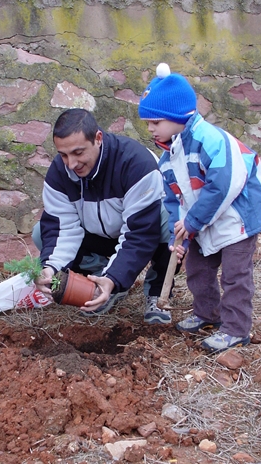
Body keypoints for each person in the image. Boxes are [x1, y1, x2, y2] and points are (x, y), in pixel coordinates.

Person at [138, 63, 261, 354]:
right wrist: (180, 231)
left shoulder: (210, 140)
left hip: (238, 218)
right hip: (202, 222)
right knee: (198, 270)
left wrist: (194, 221)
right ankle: (208, 313)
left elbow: (223, 184)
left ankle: (236, 329)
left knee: (235, 276)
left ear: (178, 116)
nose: (150, 128)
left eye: (155, 121)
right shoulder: (168, 158)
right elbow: (174, 198)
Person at [33, 108, 175, 323]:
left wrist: (115, 276)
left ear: (98, 138)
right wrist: (49, 268)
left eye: (78, 153)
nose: (71, 164)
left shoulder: (136, 163)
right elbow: (63, 228)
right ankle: (101, 282)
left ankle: (155, 292)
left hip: (143, 234)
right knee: (39, 233)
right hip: (98, 237)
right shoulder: (59, 173)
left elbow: (140, 233)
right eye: (63, 155)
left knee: (169, 223)